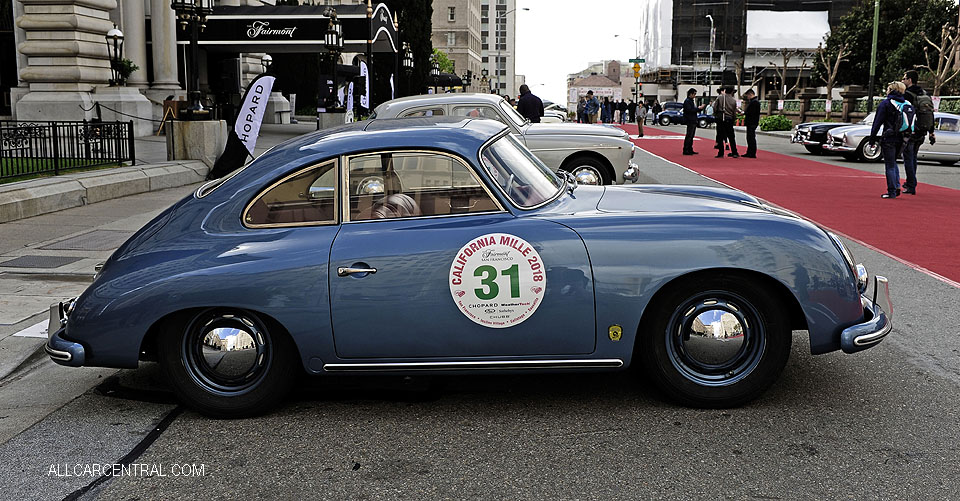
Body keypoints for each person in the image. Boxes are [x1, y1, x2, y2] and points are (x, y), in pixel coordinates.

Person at [868, 81, 914, 199]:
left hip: (889, 137)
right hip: (903, 137)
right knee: (893, 162)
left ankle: (892, 191)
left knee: (890, 165)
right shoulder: (907, 103)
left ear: (891, 90)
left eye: (888, 88)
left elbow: (877, 122)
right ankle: (897, 186)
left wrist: (872, 139)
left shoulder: (886, 104)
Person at [902, 70, 935, 195]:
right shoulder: (925, 93)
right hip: (922, 130)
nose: (902, 81)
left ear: (910, 80)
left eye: (904, 79)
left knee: (908, 158)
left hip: (911, 131)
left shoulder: (908, 94)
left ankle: (911, 185)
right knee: (913, 158)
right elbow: (930, 114)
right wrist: (931, 132)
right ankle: (911, 182)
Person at [717, 87, 740, 158]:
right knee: (731, 136)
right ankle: (734, 152)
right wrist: (733, 118)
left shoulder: (720, 98)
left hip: (721, 118)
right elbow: (734, 111)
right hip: (729, 119)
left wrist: (716, 114)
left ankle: (721, 153)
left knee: (720, 136)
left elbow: (715, 107)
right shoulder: (733, 100)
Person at [682, 88, 702, 155]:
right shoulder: (687, 101)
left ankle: (690, 148)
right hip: (690, 119)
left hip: (692, 119)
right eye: (694, 94)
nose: (695, 95)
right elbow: (690, 110)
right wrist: (698, 109)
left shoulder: (690, 101)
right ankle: (686, 149)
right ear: (691, 94)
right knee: (689, 135)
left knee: (691, 135)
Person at [742, 89, 760, 158]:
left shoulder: (754, 102)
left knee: (751, 138)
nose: (748, 97)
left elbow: (751, 112)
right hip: (753, 122)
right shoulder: (754, 102)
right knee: (750, 137)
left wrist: (744, 113)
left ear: (750, 94)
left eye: (748, 96)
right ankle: (750, 152)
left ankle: (751, 153)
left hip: (752, 122)